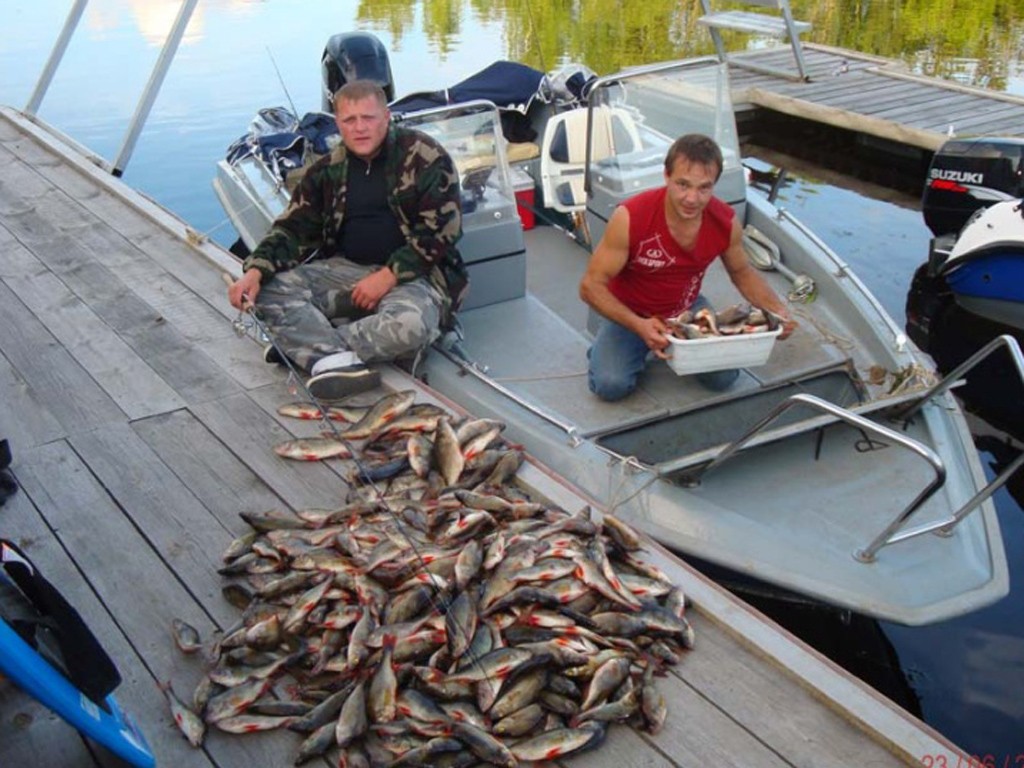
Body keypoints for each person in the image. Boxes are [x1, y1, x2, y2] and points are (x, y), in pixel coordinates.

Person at [227, 80, 467, 400]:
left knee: (410, 325)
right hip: (345, 270)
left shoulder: (424, 156)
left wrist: (388, 275)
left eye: (368, 118)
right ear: (338, 123)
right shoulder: (327, 170)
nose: (359, 128)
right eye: (349, 120)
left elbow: (442, 233)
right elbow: (291, 229)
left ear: (386, 117)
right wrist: (255, 271)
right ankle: (333, 358)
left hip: (415, 277)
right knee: (266, 292)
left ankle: (313, 349)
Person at [579, 133, 797, 402]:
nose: (692, 198)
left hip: (686, 308)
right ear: (666, 176)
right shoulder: (631, 217)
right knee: (610, 385)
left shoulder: (725, 222)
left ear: (714, 185)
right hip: (632, 312)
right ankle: (611, 344)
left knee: (724, 379)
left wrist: (777, 312)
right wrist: (639, 325)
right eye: (683, 184)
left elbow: (742, 273)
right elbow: (590, 286)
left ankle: (673, 342)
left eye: (703, 188)